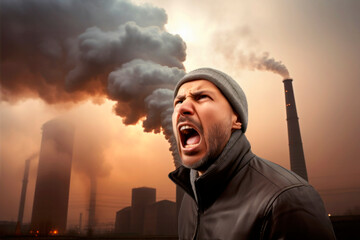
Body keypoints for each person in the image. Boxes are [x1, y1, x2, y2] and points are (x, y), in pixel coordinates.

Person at [168, 68, 336, 240]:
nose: (183, 108)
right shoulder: (190, 199)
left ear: (237, 119)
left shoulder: (287, 199)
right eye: (178, 102)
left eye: (202, 97)